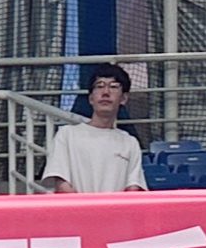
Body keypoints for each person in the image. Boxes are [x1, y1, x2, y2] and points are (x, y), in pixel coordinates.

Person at [39, 62, 147, 194]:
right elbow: (61, 183)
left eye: (113, 86)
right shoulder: (67, 135)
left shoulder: (130, 142)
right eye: (99, 86)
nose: (106, 92)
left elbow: (133, 187)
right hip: (78, 207)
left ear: (123, 98)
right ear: (91, 98)